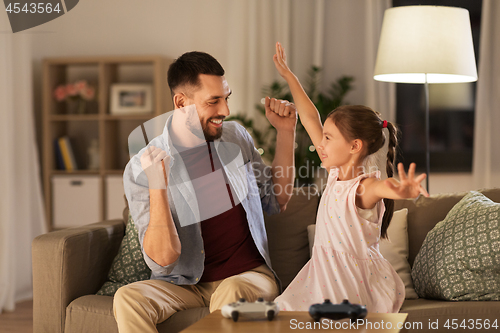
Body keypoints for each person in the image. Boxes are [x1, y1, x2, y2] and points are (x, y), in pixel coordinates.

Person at [114, 51, 297, 332]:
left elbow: (276, 201)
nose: (225, 110)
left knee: (231, 291)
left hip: (247, 276)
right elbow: (163, 261)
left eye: (226, 98)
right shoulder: (141, 167)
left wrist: (286, 132)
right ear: (181, 102)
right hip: (183, 283)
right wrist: (158, 185)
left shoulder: (236, 137)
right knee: (127, 298)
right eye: (213, 101)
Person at [271, 42, 429, 313]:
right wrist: (290, 77)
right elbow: (310, 117)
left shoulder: (363, 187)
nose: (321, 142)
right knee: (281, 315)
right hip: (321, 277)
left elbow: (384, 187)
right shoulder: (335, 173)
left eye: (329, 138)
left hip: (348, 285)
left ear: (354, 146)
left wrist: (403, 191)